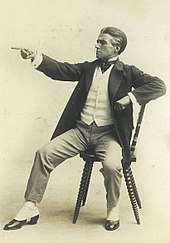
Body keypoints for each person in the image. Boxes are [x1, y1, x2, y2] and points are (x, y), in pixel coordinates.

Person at [4, 26, 166, 231]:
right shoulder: (89, 68)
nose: (96, 45)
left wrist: (130, 98)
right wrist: (35, 55)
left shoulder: (127, 72)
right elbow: (60, 70)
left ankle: (113, 208)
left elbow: (159, 85)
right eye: (97, 41)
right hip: (79, 132)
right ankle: (30, 207)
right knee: (43, 153)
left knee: (111, 166)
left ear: (116, 48)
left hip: (109, 135)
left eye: (102, 42)